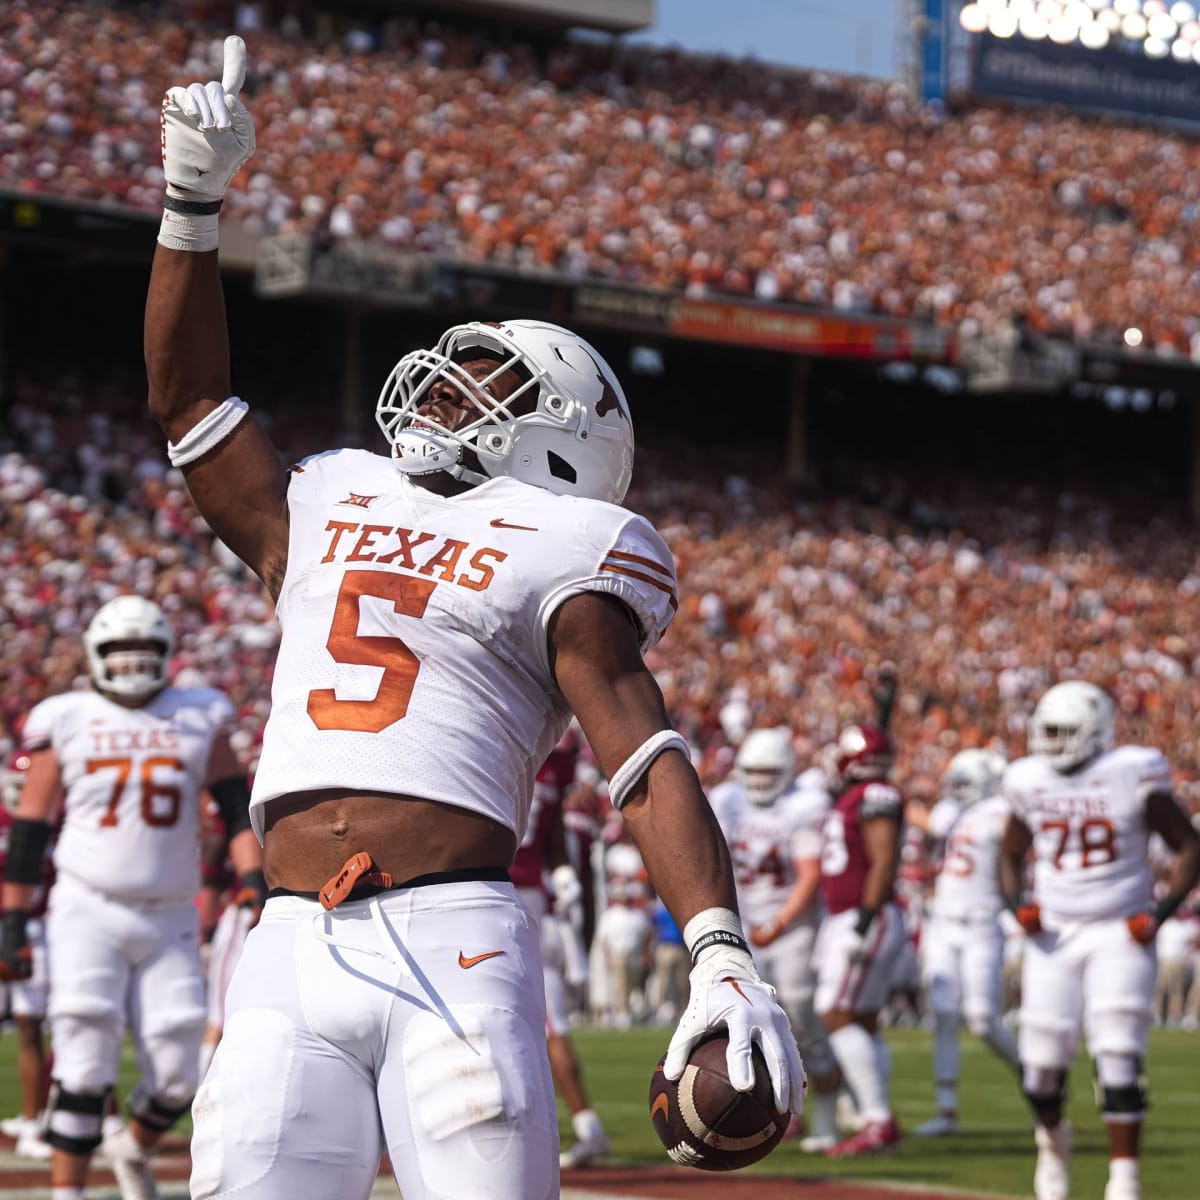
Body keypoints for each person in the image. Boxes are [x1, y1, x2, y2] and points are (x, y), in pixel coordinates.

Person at [145, 36, 804, 1200]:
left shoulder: (569, 539)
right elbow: (193, 402)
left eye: (492, 381)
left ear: (560, 440)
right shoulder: (335, 492)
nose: (448, 384)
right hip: (287, 938)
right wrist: (190, 209)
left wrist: (719, 944)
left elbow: (640, 754)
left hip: (454, 938)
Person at [0, 596, 266, 1200]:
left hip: (170, 909)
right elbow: (32, 830)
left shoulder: (197, 713)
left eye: (142, 651)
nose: (130, 663)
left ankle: (132, 1147)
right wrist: (14, 919)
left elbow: (232, 806)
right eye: (119, 652)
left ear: (166, 655)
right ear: (96, 655)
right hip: (86, 906)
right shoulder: (66, 716)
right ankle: (67, 1192)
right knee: (84, 1053)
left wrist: (253, 879)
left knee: (179, 1070)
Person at [1000, 681, 1200, 1200]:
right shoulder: (1027, 779)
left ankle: (1124, 1179)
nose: (1054, 741)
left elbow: (1188, 845)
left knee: (1117, 1050)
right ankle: (1052, 1142)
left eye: (1065, 731)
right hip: (1055, 934)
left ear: (1095, 730)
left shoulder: (1129, 772)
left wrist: (1158, 912)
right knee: (1040, 1066)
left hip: (1118, 929)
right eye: (1047, 731)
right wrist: (1016, 905)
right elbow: (1009, 853)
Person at [710, 728, 842, 1151]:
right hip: (747, 926)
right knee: (750, 1026)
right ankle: (779, 1111)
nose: (761, 781)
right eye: (754, 772)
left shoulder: (804, 805)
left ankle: (825, 1114)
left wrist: (780, 922)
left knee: (803, 1020)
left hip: (793, 929)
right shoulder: (728, 800)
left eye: (770, 772)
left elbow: (810, 872)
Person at [510, 735, 611, 1170]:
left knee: (544, 1022)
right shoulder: (553, 763)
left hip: (501, 894)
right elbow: (554, 840)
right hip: (531, 898)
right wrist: (565, 874)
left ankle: (585, 1127)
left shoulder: (497, 741)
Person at [907, 748, 1019, 1136]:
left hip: (982, 924)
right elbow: (931, 823)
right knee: (943, 1016)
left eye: (963, 783)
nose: (955, 790)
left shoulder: (999, 812)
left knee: (983, 1020)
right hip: (943, 925)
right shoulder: (954, 810)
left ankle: (1035, 1078)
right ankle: (947, 1111)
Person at [813, 723, 906, 1157]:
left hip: (863, 916)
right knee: (865, 1020)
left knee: (834, 1012)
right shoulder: (859, 796)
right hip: (854, 915)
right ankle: (880, 1116)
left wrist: (864, 921)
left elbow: (884, 858)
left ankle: (876, 1119)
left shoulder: (874, 795)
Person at [0, 750, 54, 1161]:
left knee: (30, 1026)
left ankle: (35, 1122)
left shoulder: (53, 823)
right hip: (16, 927)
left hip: (37, 931)